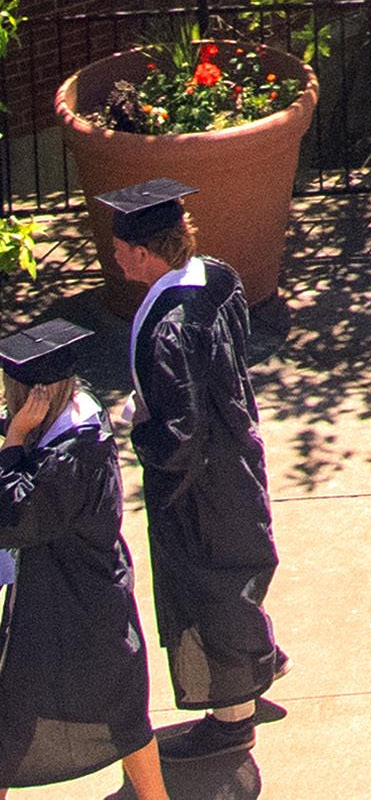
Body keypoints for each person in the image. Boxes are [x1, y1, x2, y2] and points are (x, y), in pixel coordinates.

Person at [98, 179, 281, 764]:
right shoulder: (218, 278)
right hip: (234, 454)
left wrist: (137, 425)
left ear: (143, 254)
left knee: (210, 586)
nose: (115, 257)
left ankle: (232, 721)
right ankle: (259, 661)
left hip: (198, 483)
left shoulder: (170, 328)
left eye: (120, 249)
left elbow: (177, 435)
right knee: (237, 566)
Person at [0, 316, 168, 800]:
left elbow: (13, 516)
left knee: (15, 713)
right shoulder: (82, 413)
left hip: (66, 599)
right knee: (121, 706)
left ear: (33, 399)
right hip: (91, 588)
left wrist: (13, 442)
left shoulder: (71, 454)